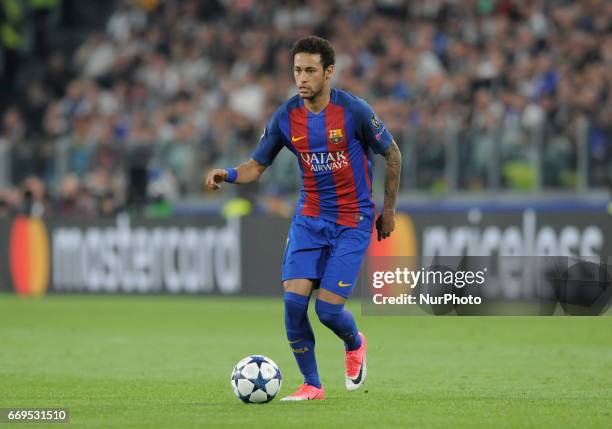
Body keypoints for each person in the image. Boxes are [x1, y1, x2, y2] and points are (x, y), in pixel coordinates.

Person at [205, 35, 401, 401]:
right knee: (294, 303)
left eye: (310, 70)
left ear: (329, 73)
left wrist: (388, 210)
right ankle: (312, 384)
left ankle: (355, 342)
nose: (302, 78)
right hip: (310, 218)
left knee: (327, 311)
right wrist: (227, 174)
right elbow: (255, 166)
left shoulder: (355, 111)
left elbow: (392, 154)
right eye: (297, 70)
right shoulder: (286, 116)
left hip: (352, 221)